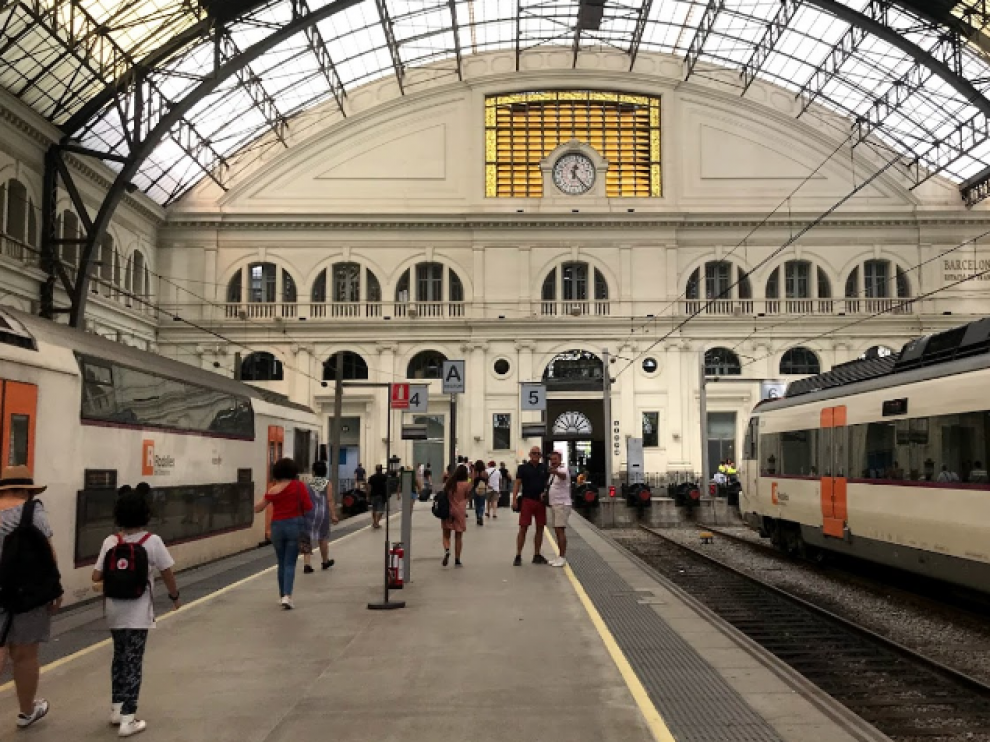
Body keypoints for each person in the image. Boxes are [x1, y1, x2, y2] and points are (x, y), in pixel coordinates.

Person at [92, 489, 181, 737]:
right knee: (133, 662)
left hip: (113, 612)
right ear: (145, 514)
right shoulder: (152, 542)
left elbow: (96, 576)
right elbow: (167, 573)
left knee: (119, 658)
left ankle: (117, 708)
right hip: (138, 613)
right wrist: (175, 597)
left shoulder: (110, 542)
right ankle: (128, 720)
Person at [0, 466, 60, 730]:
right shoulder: (32, 511)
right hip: (28, 594)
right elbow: (48, 553)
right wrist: (54, 589)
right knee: (24, 655)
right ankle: (26, 712)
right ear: (26, 490)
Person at [253, 458, 312, 609]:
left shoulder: (273, 489)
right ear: (293, 471)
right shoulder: (299, 486)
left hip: (277, 527)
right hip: (294, 525)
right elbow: (308, 506)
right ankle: (288, 595)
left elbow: (258, 508)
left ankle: (281, 595)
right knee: (290, 562)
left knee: (281, 562)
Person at [512, 447, 550, 566]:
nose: (536, 455)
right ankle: (518, 555)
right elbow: (517, 484)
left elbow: (549, 484)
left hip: (540, 502)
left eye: (538, 454)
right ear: (529, 454)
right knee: (523, 528)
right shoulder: (522, 468)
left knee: (540, 528)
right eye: (534, 453)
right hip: (527, 501)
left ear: (540, 456)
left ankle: (537, 554)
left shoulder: (544, 468)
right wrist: (514, 500)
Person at [303, 461, 339, 574]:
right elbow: (329, 500)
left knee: (307, 538)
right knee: (323, 538)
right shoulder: (327, 483)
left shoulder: (308, 483)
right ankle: (325, 561)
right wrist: (333, 515)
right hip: (322, 514)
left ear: (313, 471)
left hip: (309, 513)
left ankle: (307, 564)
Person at [441, 465, 471, 567]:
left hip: (448, 511)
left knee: (446, 535)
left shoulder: (449, 483)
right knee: (458, 536)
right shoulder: (467, 485)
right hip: (460, 511)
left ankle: (447, 550)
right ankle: (457, 559)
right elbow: (468, 497)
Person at [546, 451, 572, 568]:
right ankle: (559, 556)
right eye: (552, 459)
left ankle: (562, 557)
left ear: (560, 459)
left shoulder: (562, 469)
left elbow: (563, 476)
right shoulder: (553, 472)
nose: (553, 461)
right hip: (555, 504)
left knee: (560, 530)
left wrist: (555, 471)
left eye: (555, 459)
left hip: (562, 504)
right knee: (557, 530)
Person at [367, 464, 388, 529]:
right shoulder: (384, 477)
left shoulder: (371, 477)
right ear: (381, 469)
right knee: (381, 511)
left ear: (376, 469)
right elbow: (387, 487)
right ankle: (376, 522)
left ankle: (375, 522)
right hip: (381, 496)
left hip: (373, 495)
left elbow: (369, 487)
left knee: (374, 509)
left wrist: (367, 496)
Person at [471, 460, 489, 527]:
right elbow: (487, 481)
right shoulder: (485, 473)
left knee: (476, 504)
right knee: (482, 504)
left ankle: (478, 517)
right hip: (483, 490)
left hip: (475, 489)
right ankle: (480, 515)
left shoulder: (474, 473)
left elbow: (472, 481)